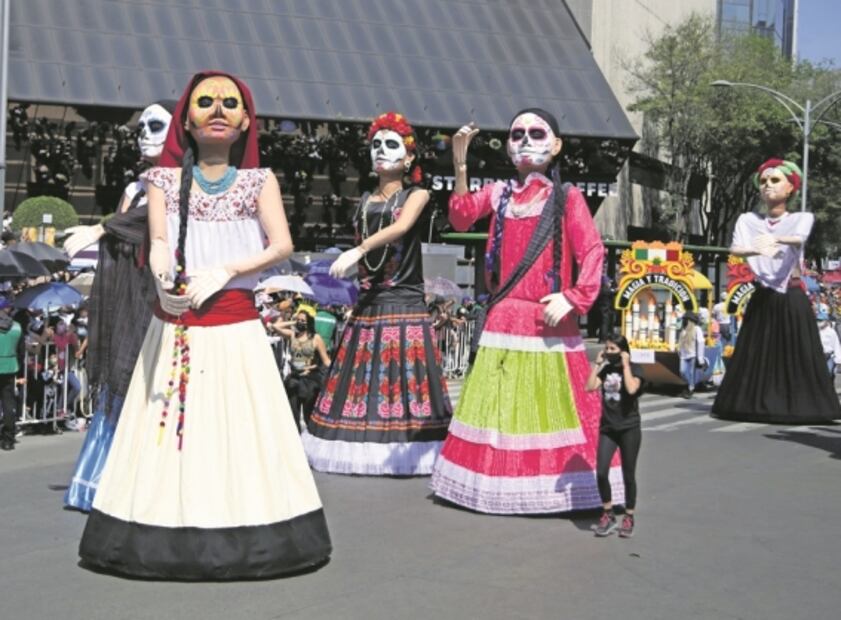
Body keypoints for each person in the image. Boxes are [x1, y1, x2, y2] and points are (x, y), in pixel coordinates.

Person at [78, 71, 331, 580]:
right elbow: (157, 240)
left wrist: (229, 270)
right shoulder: (162, 182)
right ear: (187, 120)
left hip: (236, 328)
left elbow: (281, 244)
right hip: (175, 325)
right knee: (169, 432)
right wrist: (163, 273)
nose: (217, 109)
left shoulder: (261, 181)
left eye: (228, 103)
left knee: (239, 430)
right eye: (206, 102)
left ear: (244, 121)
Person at [430, 109, 619, 514]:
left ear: (556, 145)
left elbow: (592, 250)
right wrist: (460, 165)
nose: (526, 140)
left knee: (554, 405)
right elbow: (461, 217)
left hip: (547, 319)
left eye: (537, 133)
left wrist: (574, 297)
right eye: (518, 134)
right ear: (507, 145)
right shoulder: (499, 193)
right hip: (504, 320)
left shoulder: (566, 197)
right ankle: (502, 486)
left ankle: (554, 488)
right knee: (501, 408)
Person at [302, 111, 453, 476]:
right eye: (375, 145)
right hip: (369, 302)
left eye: (391, 144)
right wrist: (357, 261)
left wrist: (359, 250)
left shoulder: (418, 194)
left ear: (410, 157)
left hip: (403, 298)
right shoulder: (366, 199)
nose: (380, 151)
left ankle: (409, 448)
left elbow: (401, 227)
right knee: (363, 381)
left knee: (407, 379)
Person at [62, 100, 176, 511]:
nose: (144, 132)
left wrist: (100, 226)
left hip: (162, 294)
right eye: (141, 125)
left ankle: (149, 486)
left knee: (153, 382)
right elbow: (124, 236)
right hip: (128, 291)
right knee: (120, 379)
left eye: (157, 124)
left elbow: (147, 222)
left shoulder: (180, 183)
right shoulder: (134, 187)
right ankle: (105, 482)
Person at [712, 159, 841, 424]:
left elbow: (799, 237)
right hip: (763, 294)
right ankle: (753, 402)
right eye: (763, 181)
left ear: (790, 188)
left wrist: (776, 239)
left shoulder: (800, 218)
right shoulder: (748, 220)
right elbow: (736, 248)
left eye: (775, 180)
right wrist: (758, 248)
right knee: (756, 351)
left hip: (791, 293)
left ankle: (801, 403)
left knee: (798, 352)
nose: (768, 186)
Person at [585, 333, 644, 538]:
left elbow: (631, 388)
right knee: (601, 472)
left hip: (629, 428)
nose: (608, 352)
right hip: (608, 428)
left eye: (612, 349)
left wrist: (626, 365)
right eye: (607, 349)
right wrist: (597, 364)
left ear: (623, 351)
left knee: (629, 474)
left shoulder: (635, 369)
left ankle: (629, 516)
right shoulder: (607, 369)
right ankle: (608, 513)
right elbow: (589, 387)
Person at [275, 305, 331, 430]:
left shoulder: (316, 338)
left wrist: (336, 373)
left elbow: (326, 360)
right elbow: (275, 327)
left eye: (303, 321)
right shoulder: (293, 334)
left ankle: (311, 437)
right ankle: (296, 441)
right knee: (292, 415)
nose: (300, 322)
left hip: (310, 380)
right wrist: (293, 321)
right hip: (294, 378)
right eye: (298, 320)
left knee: (308, 415)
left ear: (309, 322)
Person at [0, 298, 23, 451]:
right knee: (8, 404)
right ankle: (8, 439)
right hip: (10, 367)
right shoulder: (17, 327)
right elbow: (21, 351)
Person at [677, 312, 705, 399]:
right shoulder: (683, 330)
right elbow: (680, 343)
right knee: (682, 372)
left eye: (685, 320)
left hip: (693, 355)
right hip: (684, 355)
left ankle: (690, 389)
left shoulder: (697, 329)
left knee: (691, 373)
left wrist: (700, 357)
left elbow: (701, 343)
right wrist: (679, 351)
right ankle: (689, 386)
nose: (684, 321)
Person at [817, 311, 841, 377]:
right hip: (818, 355)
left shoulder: (831, 332)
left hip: (829, 356)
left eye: (821, 320)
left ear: (826, 321)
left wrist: (838, 360)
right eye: (818, 320)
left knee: (828, 373)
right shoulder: (816, 331)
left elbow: (836, 345)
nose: (819, 322)